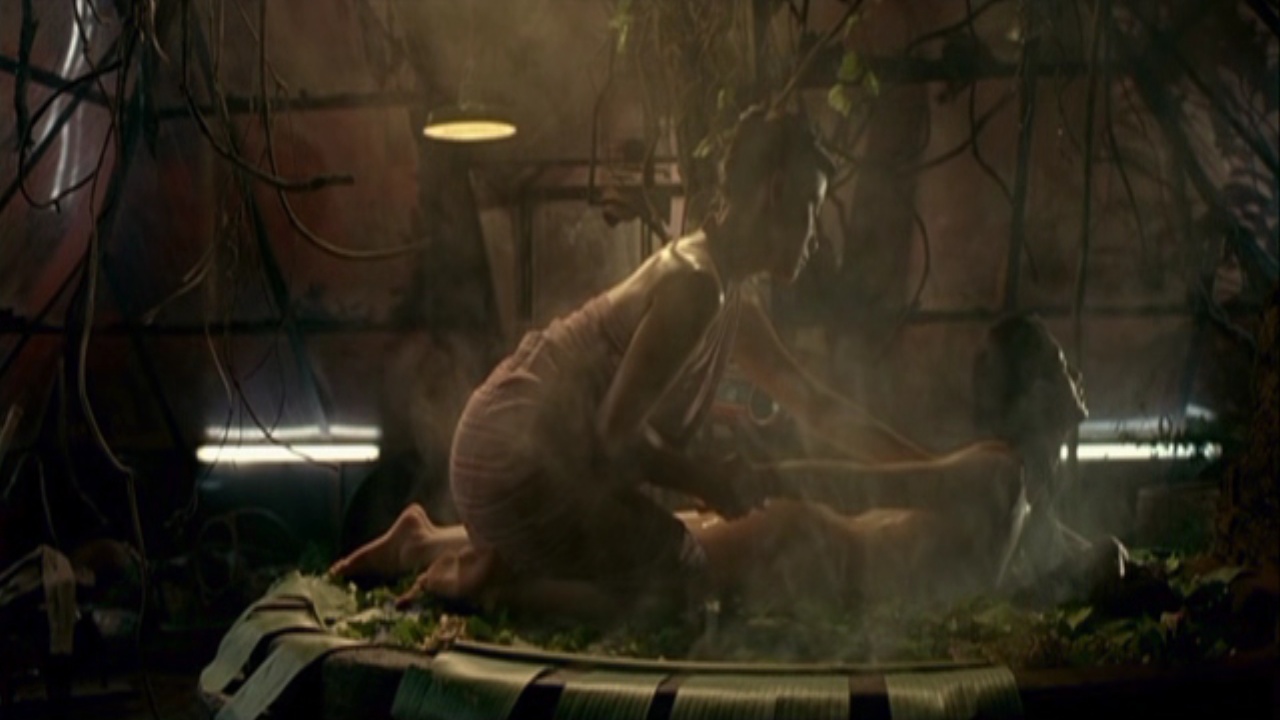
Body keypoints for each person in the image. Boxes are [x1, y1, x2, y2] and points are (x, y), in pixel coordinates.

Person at [331, 108, 1014, 620]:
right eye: (810, 208)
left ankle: (422, 541)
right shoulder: (697, 286)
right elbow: (614, 435)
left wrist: (936, 474)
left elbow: (815, 403)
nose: (814, 235)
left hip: (531, 449)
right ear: (774, 192)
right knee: (682, 587)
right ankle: (484, 588)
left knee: (667, 538)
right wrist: (710, 477)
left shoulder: (728, 293)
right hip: (517, 460)